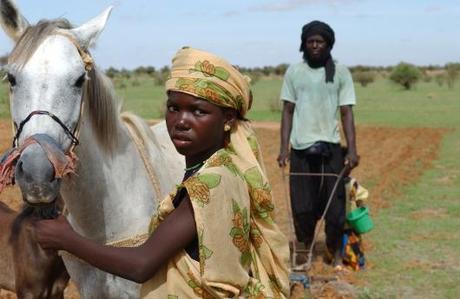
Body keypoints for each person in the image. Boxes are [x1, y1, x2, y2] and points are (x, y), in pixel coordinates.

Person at [36, 47, 290, 298]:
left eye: (198, 111)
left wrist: (68, 240)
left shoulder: (210, 184)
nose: (181, 121)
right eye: (173, 108)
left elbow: (142, 264)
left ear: (228, 119)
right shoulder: (218, 168)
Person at [277, 20, 359, 267]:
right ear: (304, 44)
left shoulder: (341, 72)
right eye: (310, 41)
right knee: (302, 208)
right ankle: (303, 255)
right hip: (301, 150)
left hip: (330, 150)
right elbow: (287, 111)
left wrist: (352, 150)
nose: (315, 45)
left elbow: (346, 112)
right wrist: (283, 149)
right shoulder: (294, 72)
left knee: (334, 210)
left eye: (320, 41)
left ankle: (333, 253)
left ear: (328, 44)